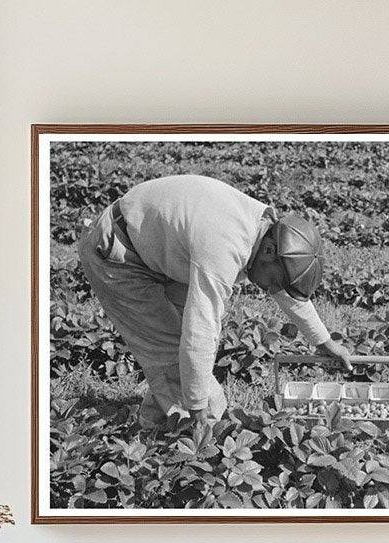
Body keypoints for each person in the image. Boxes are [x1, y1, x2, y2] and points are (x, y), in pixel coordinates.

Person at [79, 173, 353, 429]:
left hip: (158, 249)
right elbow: (200, 330)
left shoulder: (262, 229)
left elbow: (284, 287)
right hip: (117, 253)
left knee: (180, 360)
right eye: (275, 281)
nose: (272, 289)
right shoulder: (224, 246)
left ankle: (159, 425)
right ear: (269, 250)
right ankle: (187, 441)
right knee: (174, 355)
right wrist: (201, 408)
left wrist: (323, 341)